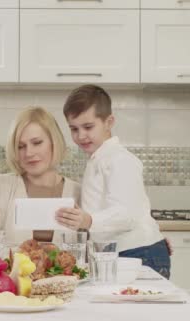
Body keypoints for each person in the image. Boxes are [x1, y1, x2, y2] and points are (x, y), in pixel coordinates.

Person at [55, 84, 171, 279]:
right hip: (127, 252)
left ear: (109, 122)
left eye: (88, 127)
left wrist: (89, 220)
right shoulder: (99, 159)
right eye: (74, 129)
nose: (80, 135)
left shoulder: (120, 160)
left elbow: (126, 213)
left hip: (138, 253)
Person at [0, 106, 81, 244]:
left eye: (37, 143)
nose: (29, 153)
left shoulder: (78, 192)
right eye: (20, 146)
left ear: (54, 142)